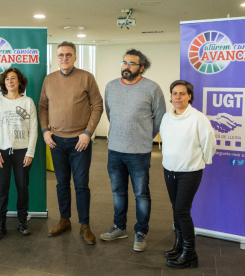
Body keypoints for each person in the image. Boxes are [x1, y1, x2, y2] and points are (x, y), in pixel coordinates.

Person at [100, 49, 166, 252]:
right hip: (115, 150)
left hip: (139, 151)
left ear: (142, 67)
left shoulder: (152, 88)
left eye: (131, 63)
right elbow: (110, 114)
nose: (126, 66)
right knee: (118, 192)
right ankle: (119, 227)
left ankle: (141, 231)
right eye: (124, 62)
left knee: (141, 194)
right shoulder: (111, 86)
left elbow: (160, 117)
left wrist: (144, 136)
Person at [38, 41, 103, 245]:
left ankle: (85, 225)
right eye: (60, 55)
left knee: (81, 185)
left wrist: (88, 133)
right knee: (61, 184)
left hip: (79, 142)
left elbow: (97, 105)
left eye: (68, 55)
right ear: (56, 58)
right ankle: (65, 220)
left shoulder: (86, 77)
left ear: (75, 57)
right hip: (56, 142)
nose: (64, 58)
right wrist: (45, 131)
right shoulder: (49, 80)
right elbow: (42, 107)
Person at [160, 80, 216, 268]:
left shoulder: (198, 118)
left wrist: (204, 161)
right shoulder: (167, 117)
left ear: (189, 96)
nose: (178, 97)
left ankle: (190, 254)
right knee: (176, 210)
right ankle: (179, 245)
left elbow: (209, 142)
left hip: (189, 172)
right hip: (170, 170)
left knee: (182, 212)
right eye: (175, 93)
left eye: (182, 93)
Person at [0, 68, 38, 240]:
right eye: (7, 79)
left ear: (19, 82)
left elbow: (34, 130)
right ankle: (0, 225)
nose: (10, 81)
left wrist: (30, 153)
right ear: (4, 83)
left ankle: (22, 222)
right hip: (1, 152)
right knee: (2, 189)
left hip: (22, 152)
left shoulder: (28, 102)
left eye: (13, 78)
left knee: (22, 188)